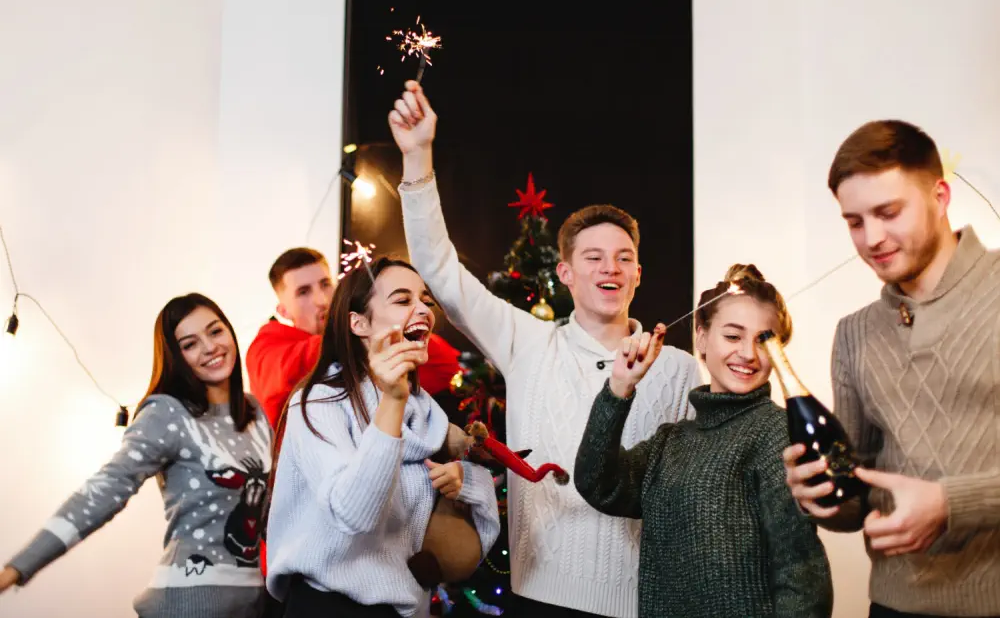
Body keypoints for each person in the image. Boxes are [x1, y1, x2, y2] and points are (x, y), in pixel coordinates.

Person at [389, 80, 701, 618]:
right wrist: (418, 156)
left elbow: (696, 488)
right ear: (565, 273)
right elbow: (439, 269)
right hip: (541, 598)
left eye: (624, 258)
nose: (610, 268)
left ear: (638, 275)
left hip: (645, 603)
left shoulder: (679, 369)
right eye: (594, 257)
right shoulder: (528, 342)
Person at [784, 119, 1000, 617]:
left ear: (941, 196)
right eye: (855, 221)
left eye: (888, 212)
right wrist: (823, 497)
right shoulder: (854, 333)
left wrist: (951, 503)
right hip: (891, 606)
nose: (871, 238)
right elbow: (858, 498)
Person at [575, 265, 833, 618]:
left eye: (763, 339)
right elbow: (597, 484)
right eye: (732, 336)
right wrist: (619, 387)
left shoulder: (777, 432)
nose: (748, 354)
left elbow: (801, 573)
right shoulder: (673, 440)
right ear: (701, 338)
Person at [0, 293, 271, 617]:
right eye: (190, 344)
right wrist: (18, 567)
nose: (210, 347)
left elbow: (274, 512)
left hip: (253, 602)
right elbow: (108, 487)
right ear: (175, 357)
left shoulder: (252, 410)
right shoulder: (167, 413)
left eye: (215, 332)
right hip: (189, 603)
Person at [264, 257, 501, 618]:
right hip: (328, 607)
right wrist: (391, 401)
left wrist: (466, 482)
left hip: (402, 609)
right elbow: (354, 515)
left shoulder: (425, 411)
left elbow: (470, 536)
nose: (423, 309)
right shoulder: (319, 403)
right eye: (404, 300)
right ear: (358, 323)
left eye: (426, 300)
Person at [246, 247, 462, 429]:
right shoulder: (267, 346)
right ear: (282, 310)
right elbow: (289, 370)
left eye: (325, 284)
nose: (321, 300)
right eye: (303, 292)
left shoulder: (378, 333)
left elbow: (450, 368)